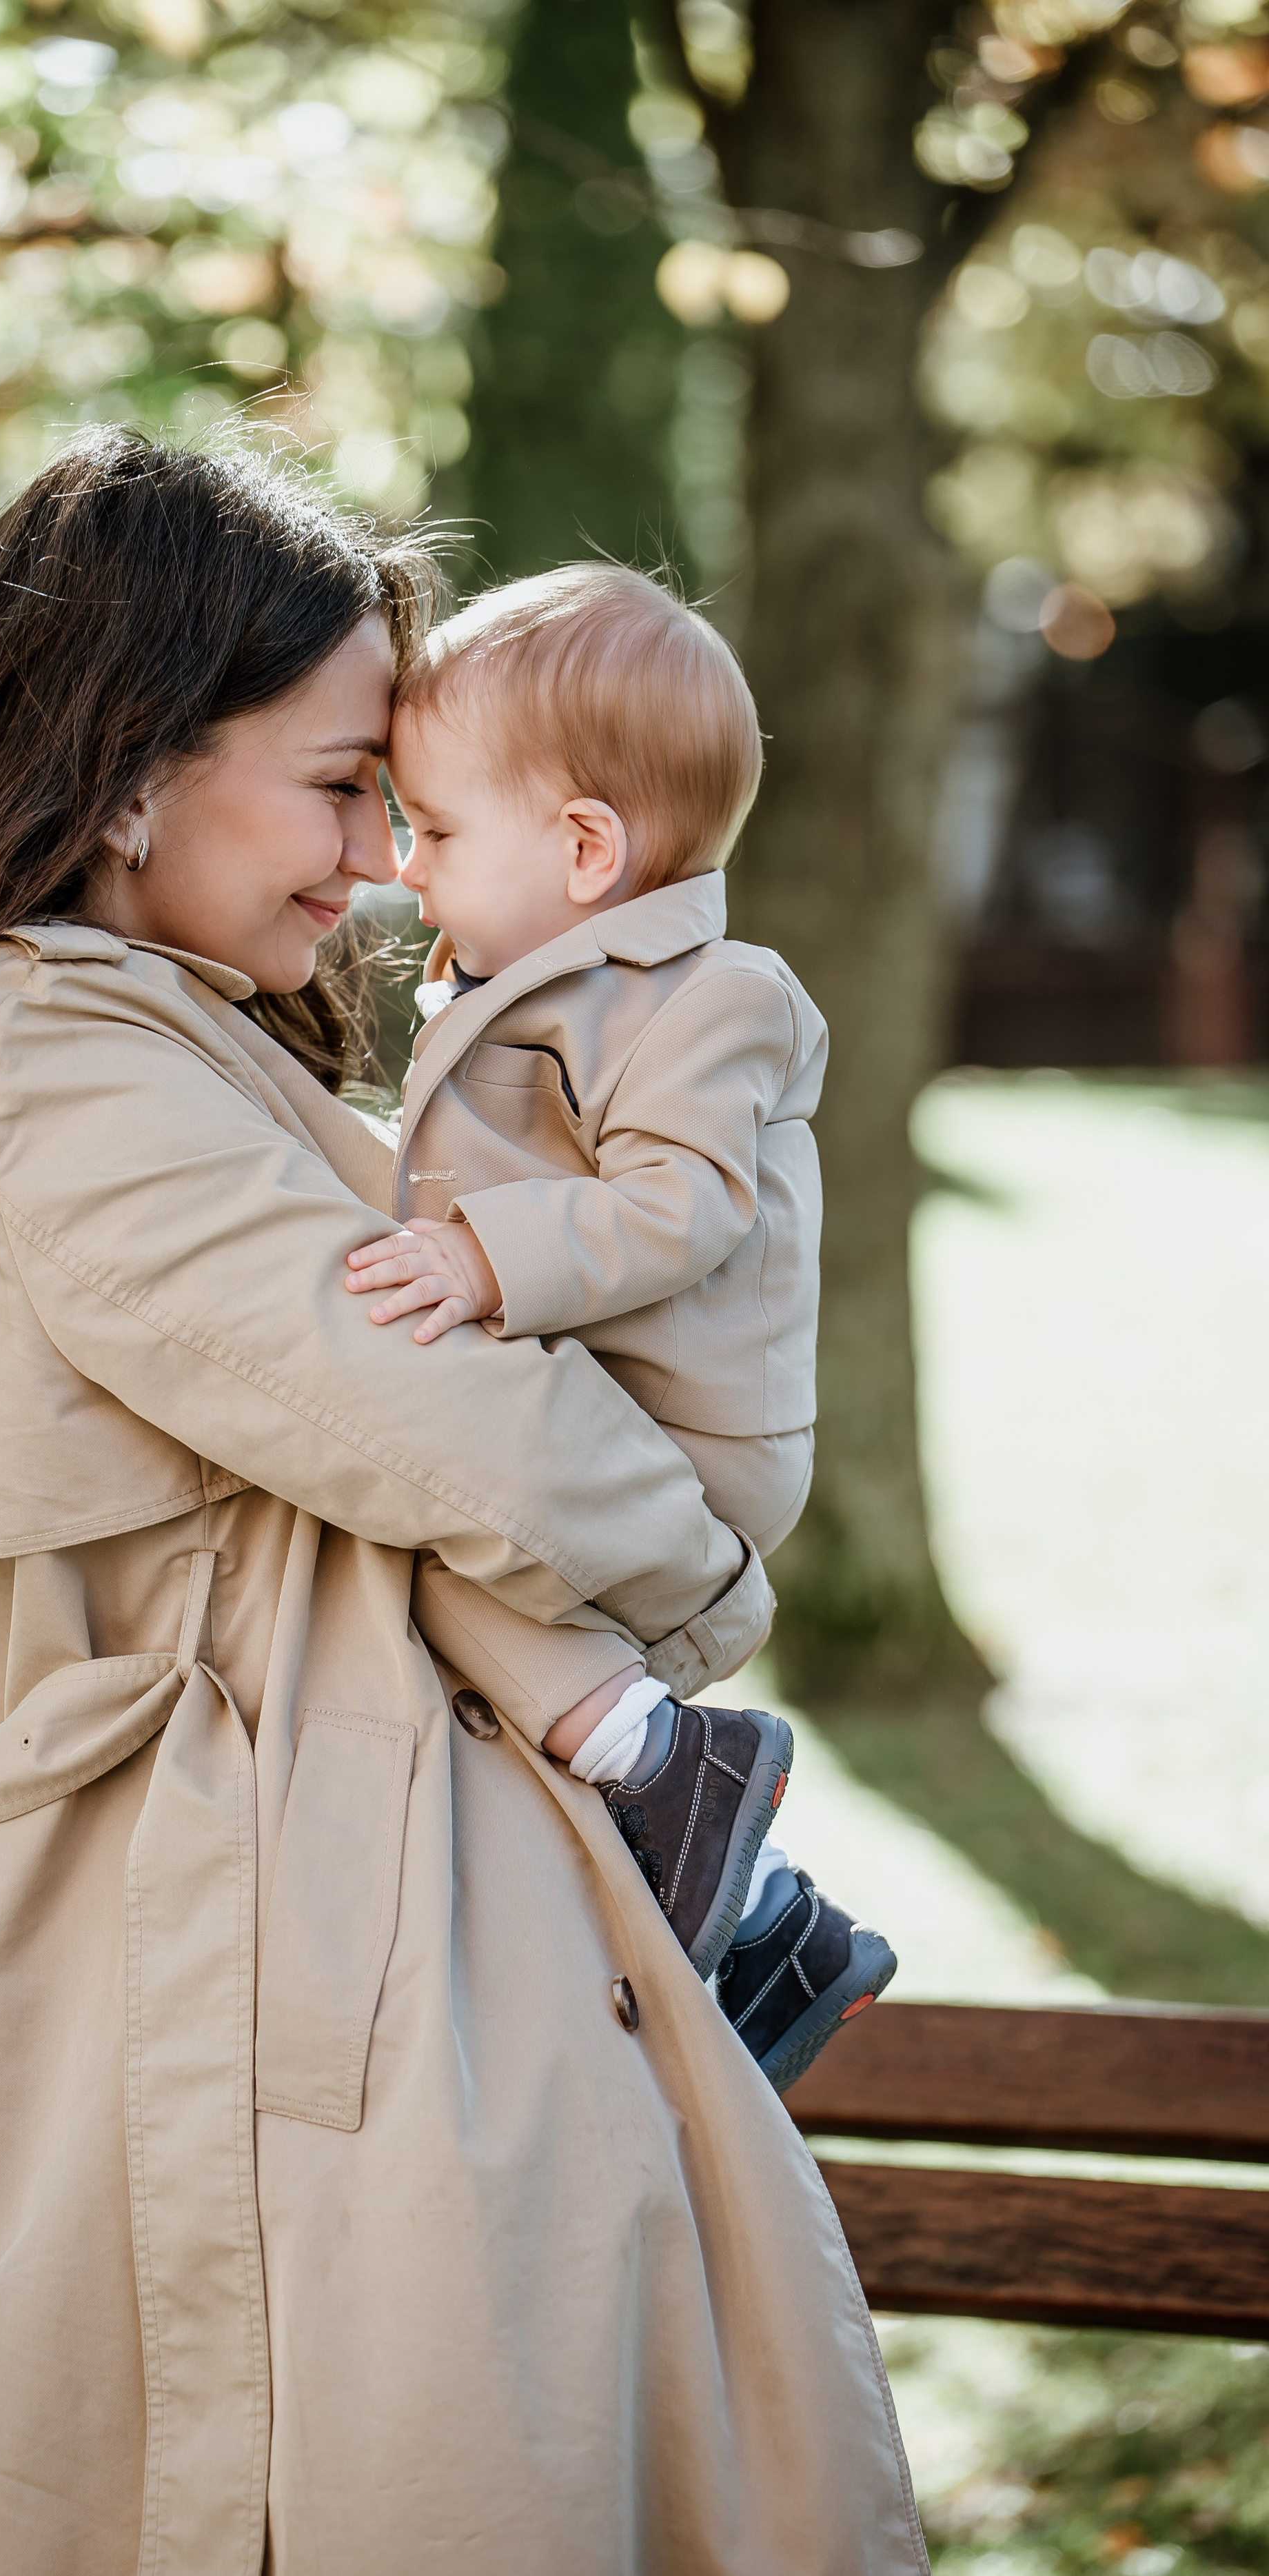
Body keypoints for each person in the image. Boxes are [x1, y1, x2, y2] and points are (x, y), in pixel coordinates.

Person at [0, 429, 942, 2576]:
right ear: (120, 776)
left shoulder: (147, 1034)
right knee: (386, 2542)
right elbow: (452, 1429)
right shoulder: (51, 1056)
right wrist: (714, 1586)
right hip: (259, 1967)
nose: (382, 864)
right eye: (341, 785)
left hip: (321, 1931)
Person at [345, 565, 897, 2092]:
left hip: (684, 1437)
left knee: (428, 1543)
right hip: (598, 1399)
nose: (401, 865)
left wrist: (475, 1260)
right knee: (421, 1595)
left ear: (583, 847)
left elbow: (680, 1209)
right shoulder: (542, 980)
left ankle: (670, 1763)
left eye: (435, 829)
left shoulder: (713, 998)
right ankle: (770, 1931)